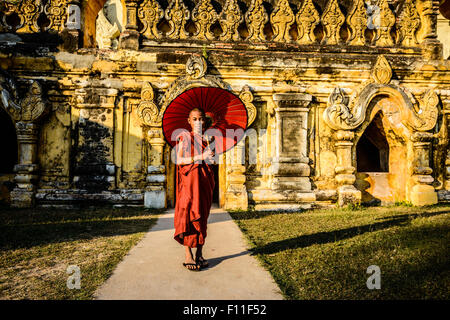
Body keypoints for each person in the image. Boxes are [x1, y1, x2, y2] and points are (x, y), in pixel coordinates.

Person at [174, 108, 215, 271]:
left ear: (205, 121)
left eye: (201, 119)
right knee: (188, 215)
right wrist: (200, 157)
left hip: (204, 182)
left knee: (202, 217)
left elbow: (209, 163)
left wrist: (210, 158)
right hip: (189, 183)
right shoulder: (184, 137)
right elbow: (179, 160)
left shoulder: (207, 139)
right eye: (195, 119)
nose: (198, 122)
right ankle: (188, 255)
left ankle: (199, 253)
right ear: (189, 121)